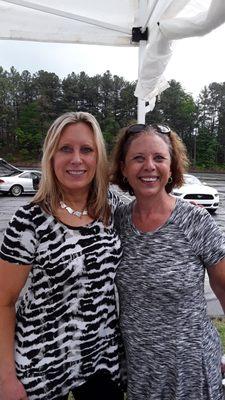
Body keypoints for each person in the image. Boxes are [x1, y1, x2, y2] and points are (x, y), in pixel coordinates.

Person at [0, 111, 125, 400]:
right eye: (65, 149)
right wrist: (6, 376)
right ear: (51, 156)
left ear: (98, 157)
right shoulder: (28, 221)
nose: (77, 159)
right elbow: (3, 302)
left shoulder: (112, 208)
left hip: (100, 360)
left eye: (87, 150)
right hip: (41, 364)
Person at [110, 123, 225, 400]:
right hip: (141, 369)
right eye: (138, 158)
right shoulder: (117, 221)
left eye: (159, 158)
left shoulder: (194, 221)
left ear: (171, 167)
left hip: (191, 370)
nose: (149, 166)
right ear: (124, 168)